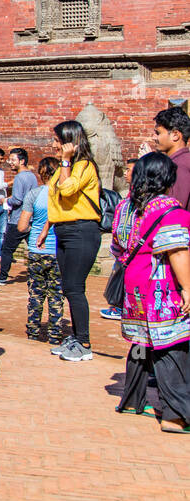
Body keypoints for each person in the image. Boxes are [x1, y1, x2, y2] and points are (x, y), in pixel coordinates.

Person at [112, 152, 190, 432]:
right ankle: (175, 414)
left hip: (134, 284)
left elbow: (117, 248)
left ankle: (133, 400)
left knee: (142, 342)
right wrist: (188, 289)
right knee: (172, 348)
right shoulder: (170, 209)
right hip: (162, 285)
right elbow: (178, 252)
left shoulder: (125, 207)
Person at [47, 119, 103, 362]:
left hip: (82, 230)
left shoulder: (84, 166)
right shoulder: (65, 167)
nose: (54, 145)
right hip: (64, 230)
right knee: (68, 287)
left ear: (71, 142)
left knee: (75, 287)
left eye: (58, 141)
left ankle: (85, 342)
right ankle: (77, 337)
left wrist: (67, 161)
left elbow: (68, 190)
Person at [18, 156, 63, 345]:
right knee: (56, 296)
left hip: (37, 251)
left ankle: (33, 332)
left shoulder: (34, 195)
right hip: (58, 251)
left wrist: (33, 230)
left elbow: (21, 226)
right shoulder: (63, 195)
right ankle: (55, 334)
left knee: (36, 294)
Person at [0, 148, 37, 285]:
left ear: (22, 161)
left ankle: (2, 277)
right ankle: (38, 275)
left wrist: (6, 201)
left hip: (18, 219)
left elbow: (18, 200)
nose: (10, 163)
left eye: (13, 160)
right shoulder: (32, 176)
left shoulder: (19, 177)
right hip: (31, 217)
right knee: (34, 248)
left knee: (7, 249)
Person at [152, 107, 190, 209]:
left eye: (158, 133)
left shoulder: (179, 165)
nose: (154, 138)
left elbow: (175, 209)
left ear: (175, 135)